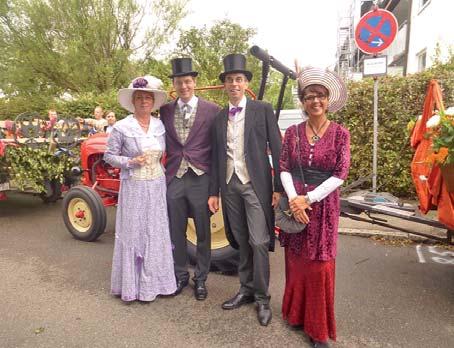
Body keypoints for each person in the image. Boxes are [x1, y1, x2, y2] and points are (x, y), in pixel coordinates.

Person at [208, 54, 283, 326]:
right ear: (225, 85)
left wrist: (278, 187)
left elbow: (277, 148)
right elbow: (217, 156)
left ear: (246, 83)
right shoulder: (218, 118)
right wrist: (214, 191)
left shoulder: (262, 109)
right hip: (229, 185)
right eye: (229, 80)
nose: (234, 84)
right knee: (240, 241)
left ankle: (262, 298)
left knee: (259, 241)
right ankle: (246, 289)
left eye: (239, 79)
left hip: (255, 185)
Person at [279, 67, 350, 348]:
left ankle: (317, 328)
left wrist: (308, 200)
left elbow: (340, 174)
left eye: (320, 96)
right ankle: (295, 315)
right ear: (303, 101)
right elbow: (284, 167)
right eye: (310, 96)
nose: (315, 101)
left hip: (323, 210)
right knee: (296, 261)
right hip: (295, 202)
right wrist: (295, 199)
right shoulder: (293, 133)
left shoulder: (340, 134)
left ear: (328, 99)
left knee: (319, 266)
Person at [104, 75, 176, 302]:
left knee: (155, 231)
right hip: (134, 186)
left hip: (156, 185)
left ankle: (156, 284)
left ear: (153, 102)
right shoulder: (122, 127)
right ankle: (132, 287)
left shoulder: (159, 125)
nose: (144, 101)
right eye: (140, 98)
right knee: (134, 232)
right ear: (133, 101)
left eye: (148, 98)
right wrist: (130, 162)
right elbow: (109, 156)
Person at [160, 58, 220, 300]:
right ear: (173, 85)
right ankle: (180, 275)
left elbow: (217, 151)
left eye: (187, 81)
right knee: (176, 230)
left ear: (194, 82)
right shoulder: (164, 110)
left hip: (200, 178)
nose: (183, 86)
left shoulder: (212, 110)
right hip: (174, 176)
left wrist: (215, 189)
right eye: (178, 82)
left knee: (203, 232)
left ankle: (201, 279)